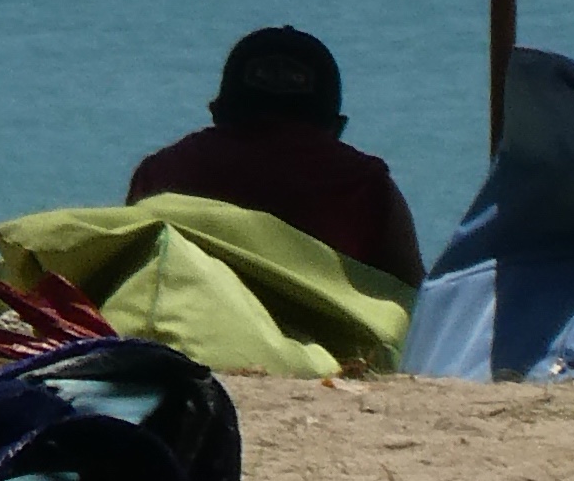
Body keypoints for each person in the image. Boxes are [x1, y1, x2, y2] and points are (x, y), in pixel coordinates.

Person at [129, 27, 422, 288]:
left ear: (216, 111)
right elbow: (413, 297)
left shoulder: (159, 173)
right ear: (337, 127)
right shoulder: (366, 185)